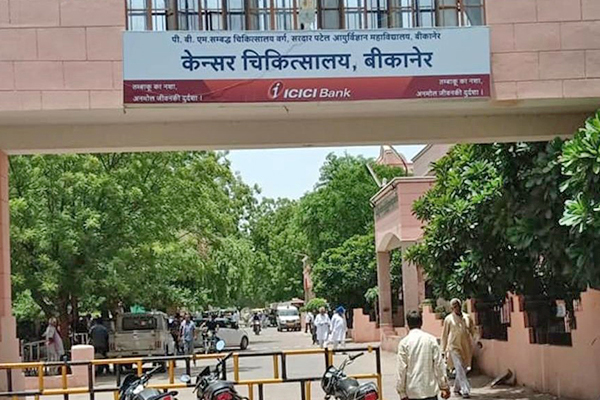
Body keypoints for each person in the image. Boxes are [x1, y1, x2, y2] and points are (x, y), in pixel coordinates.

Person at [397, 310, 450, 400]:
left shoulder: (404, 343)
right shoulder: (431, 340)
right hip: (430, 391)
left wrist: (401, 392)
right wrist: (444, 386)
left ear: (408, 324)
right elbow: (439, 365)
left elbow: (402, 369)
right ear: (421, 323)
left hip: (412, 392)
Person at [441, 299, 475, 399]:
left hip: (465, 347)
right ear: (452, 308)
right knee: (459, 367)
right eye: (454, 306)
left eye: (458, 306)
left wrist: (477, 341)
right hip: (453, 347)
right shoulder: (448, 319)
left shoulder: (467, 317)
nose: (457, 308)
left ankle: (456, 388)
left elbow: (473, 330)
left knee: (463, 368)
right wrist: (443, 350)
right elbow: (444, 335)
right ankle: (465, 390)